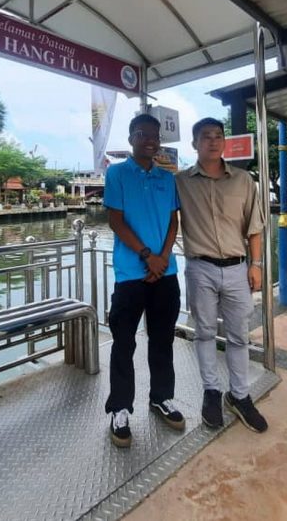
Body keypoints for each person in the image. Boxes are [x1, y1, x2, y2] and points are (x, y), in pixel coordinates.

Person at [176, 117, 268, 433]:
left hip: (236, 268)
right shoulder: (181, 181)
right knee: (203, 332)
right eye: (205, 136)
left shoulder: (244, 181)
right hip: (199, 267)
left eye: (218, 136)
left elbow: (254, 227)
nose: (213, 141)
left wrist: (256, 265)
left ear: (224, 142)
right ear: (194, 144)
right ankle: (211, 392)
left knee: (239, 334)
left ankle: (239, 396)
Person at [103, 113, 184, 448]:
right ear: (131, 137)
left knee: (163, 340)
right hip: (130, 274)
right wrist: (147, 255)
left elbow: (173, 221)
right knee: (124, 342)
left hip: (166, 273)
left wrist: (162, 258)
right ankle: (120, 408)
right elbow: (116, 221)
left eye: (155, 136)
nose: (150, 140)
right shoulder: (117, 173)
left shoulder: (168, 178)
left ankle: (161, 397)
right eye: (142, 134)